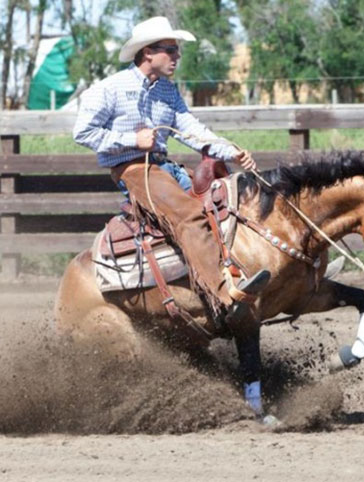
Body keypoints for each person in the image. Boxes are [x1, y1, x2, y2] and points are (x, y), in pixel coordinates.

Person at [73, 16, 270, 326]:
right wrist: (131, 140)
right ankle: (225, 296)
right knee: (190, 215)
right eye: (171, 50)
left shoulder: (167, 90)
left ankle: (238, 269)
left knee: (226, 201)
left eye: (177, 51)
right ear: (148, 52)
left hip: (163, 167)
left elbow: (192, 130)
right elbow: (82, 132)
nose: (177, 57)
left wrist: (229, 150)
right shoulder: (109, 89)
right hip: (133, 169)